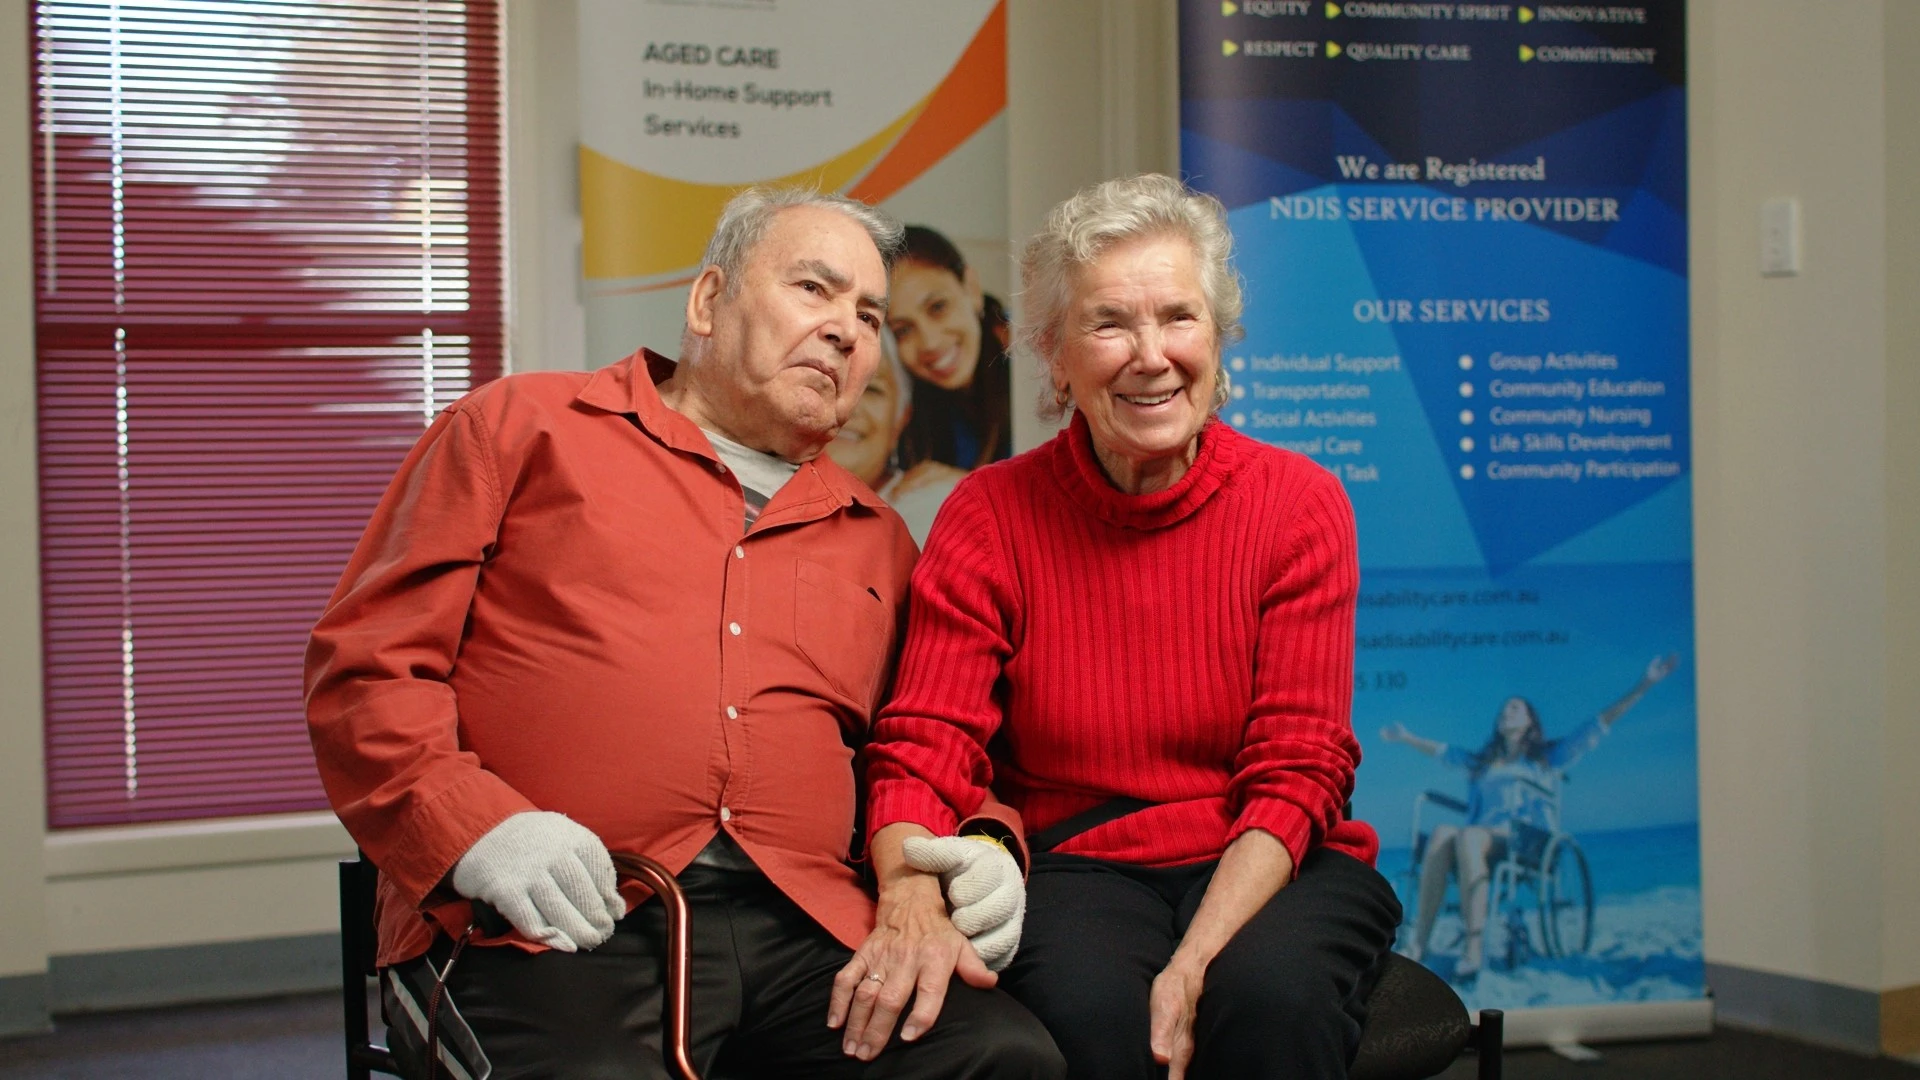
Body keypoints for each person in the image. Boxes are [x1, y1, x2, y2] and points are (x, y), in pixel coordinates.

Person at [305, 186, 1062, 1080]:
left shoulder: (878, 535)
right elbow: (365, 673)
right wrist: (480, 833)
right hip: (550, 923)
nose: (847, 330)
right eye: (813, 290)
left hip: (806, 919)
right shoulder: (519, 430)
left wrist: (983, 840)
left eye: (868, 314)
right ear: (708, 301)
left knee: (1007, 1061)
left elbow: (929, 741)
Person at [841, 175, 1402, 1080]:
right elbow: (925, 744)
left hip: (1275, 854)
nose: (1151, 356)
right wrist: (905, 889)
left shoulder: (1299, 505)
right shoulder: (989, 514)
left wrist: (1195, 961)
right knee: (1095, 1024)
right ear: (1055, 360)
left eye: (1179, 318)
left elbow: (1302, 765)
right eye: (1109, 324)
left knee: (1270, 1002)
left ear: (1218, 342)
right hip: (1080, 863)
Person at [1381, 653, 1680, 981]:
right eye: (1504, 709)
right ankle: (1418, 944)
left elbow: (1598, 726)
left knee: (1468, 835)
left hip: (1526, 839)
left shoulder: (1547, 758)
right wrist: (1406, 737)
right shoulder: (1483, 762)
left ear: (1529, 721)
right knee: (1441, 833)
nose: (1506, 713)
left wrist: (1645, 684)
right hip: (1480, 839)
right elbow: (1445, 753)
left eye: (1515, 708)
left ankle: (1474, 946)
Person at [887, 225, 1012, 474]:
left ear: (971, 289)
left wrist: (967, 488)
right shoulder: (914, 409)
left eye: (938, 307)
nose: (930, 342)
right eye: (903, 330)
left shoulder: (1040, 356)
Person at [824, 329, 967, 547]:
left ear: (901, 419)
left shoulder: (934, 510)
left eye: (871, 389)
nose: (848, 406)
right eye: (832, 381)